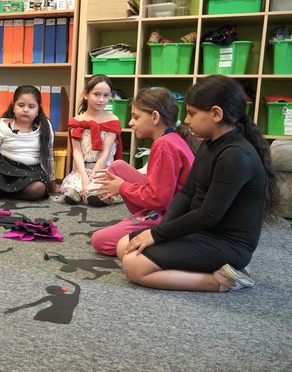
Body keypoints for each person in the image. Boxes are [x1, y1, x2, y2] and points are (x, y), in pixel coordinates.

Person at [116, 75, 281, 292]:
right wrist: (161, 231)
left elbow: (208, 214)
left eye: (192, 113)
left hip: (228, 244)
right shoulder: (209, 143)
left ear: (216, 114)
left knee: (134, 265)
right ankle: (206, 268)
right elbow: (187, 192)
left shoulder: (236, 155)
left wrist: (157, 235)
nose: (186, 120)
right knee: (123, 246)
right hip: (201, 232)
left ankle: (223, 280)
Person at [91, 87, 198, 256]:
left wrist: (122, 187)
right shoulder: (172, 138)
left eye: (136, 117)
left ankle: (157, 233)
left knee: (100, 241)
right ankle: (144, 219)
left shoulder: (164, 145)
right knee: (117, 167)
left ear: (155, 117)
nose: (130, 123)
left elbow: (160, 200)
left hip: (171, 216)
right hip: (171, 207)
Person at [59, 74, 123, 206]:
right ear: (86, 94)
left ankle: (94, 193)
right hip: (82, 169)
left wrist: (92, 178)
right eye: (96, 94)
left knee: (95, 196)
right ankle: (81, 189)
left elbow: (105, 152)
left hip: (103, 169)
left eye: (106, 95)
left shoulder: (112, 120)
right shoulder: (77, 121)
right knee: (70, 195)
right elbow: (77, 151)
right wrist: (84, 178)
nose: (101, 99)